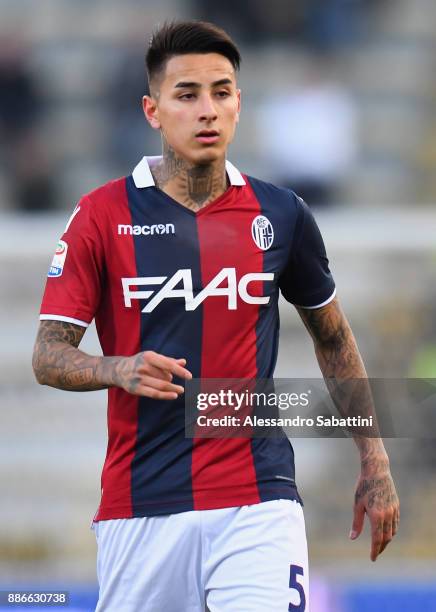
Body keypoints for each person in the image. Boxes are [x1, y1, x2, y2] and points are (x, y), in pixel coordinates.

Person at [32, 20, 399, 611]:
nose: (207, 109)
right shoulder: (99, 216)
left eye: (221, 92)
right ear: (153, 110)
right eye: (187, 94)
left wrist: (374, 459)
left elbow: (333, 340)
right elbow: (47, 355)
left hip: (259, 500)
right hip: (142, 507)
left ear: (239, 104)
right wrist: (116, 368)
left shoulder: (282, 214)